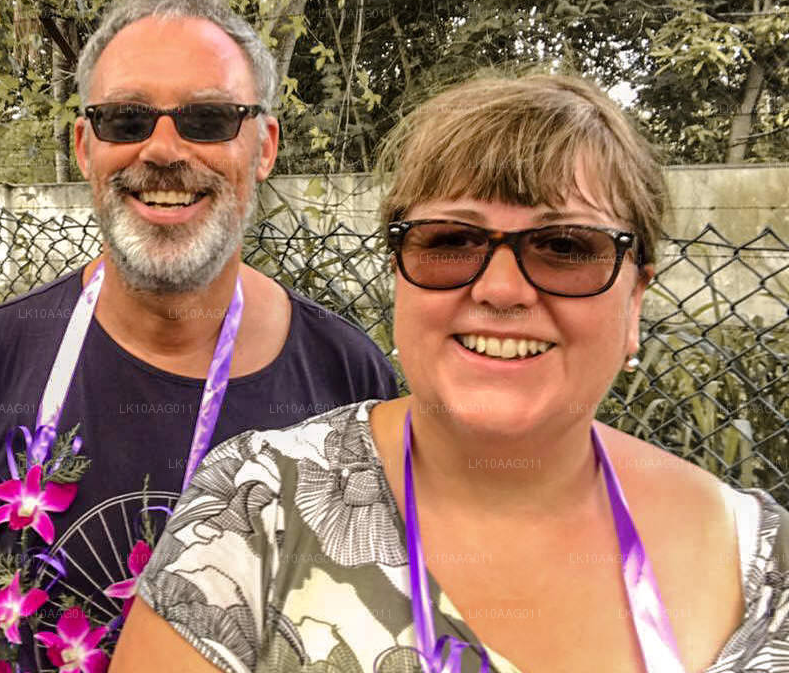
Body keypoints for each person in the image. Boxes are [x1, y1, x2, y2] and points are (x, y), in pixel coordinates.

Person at [113, 74, 789, 673]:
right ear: (399, 276)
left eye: (564, 247)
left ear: (635, 297)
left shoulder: (761, 565)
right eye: (450, 241)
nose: (501, 290)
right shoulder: (252, 513)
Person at [0, 0, 398, 673]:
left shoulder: (350, 378)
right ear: (85, 146)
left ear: (264, 147)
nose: (162, 150)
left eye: (208, 119)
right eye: (126, 120)